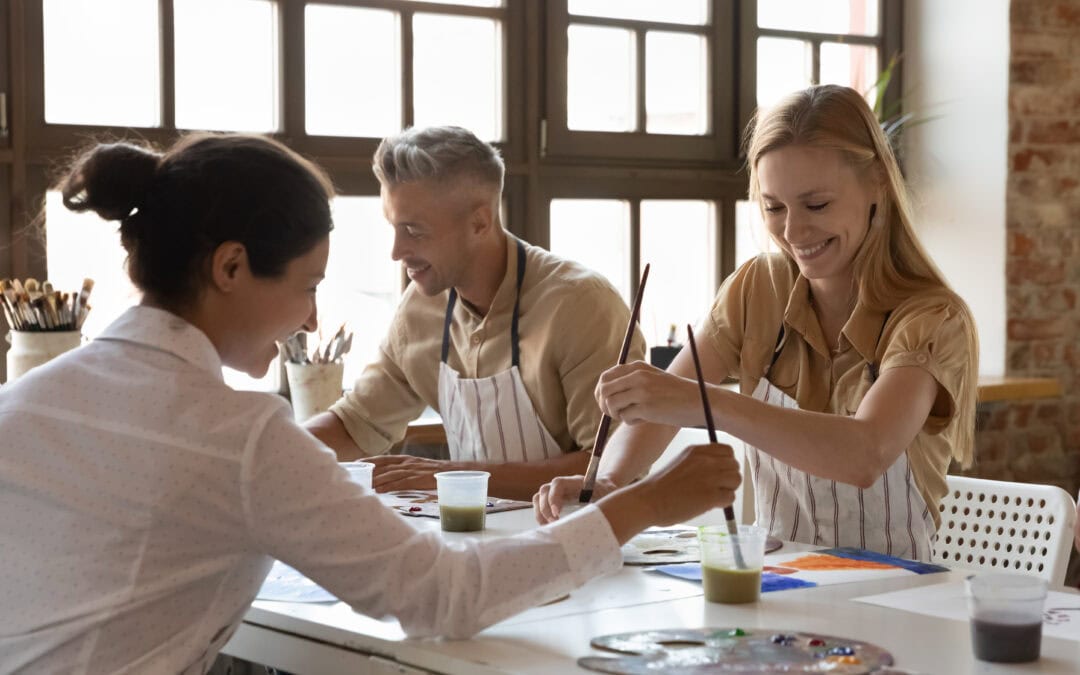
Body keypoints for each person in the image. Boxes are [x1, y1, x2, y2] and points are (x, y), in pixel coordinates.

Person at [0, 133, 741, 673]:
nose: (315, 321)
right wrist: (646, 502)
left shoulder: (26, 399)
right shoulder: (242, 434)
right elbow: (444, 595)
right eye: (309, 285)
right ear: (230, 266)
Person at [535, 84, 979, 562]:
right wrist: (610, 481)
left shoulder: (934, 317)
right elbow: (664, 407)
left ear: (877, 184)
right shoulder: (758, 288)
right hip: (773, 582)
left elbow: (864, 455)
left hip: (897, 598)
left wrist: (708, 404)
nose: (793, 232)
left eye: (816, 205)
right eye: (774, 207)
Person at [306, 126, 644, 500]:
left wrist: (447, 476)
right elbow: (356, 423)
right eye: (393, 228)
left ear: (480, 223)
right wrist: (264, 455)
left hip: (580, 540)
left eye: (413, 231)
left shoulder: (581, 305)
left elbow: (612, 469)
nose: (396, 251)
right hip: (475, 542)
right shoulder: (419, 309)